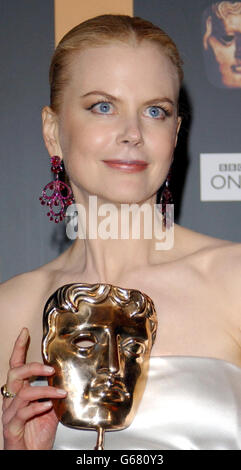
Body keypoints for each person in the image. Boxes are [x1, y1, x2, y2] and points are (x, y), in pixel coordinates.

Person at [0, 14, 240, 450]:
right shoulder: (10, 312)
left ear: (175, 133)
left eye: (155, 111)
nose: (132, 133)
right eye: (103, 107)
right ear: (53, 132)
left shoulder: (232, 279)